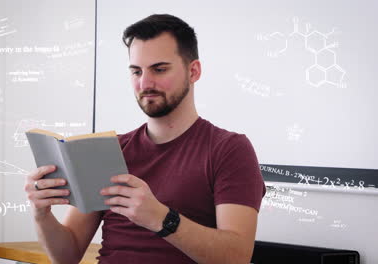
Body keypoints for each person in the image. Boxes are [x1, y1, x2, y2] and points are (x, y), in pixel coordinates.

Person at [25, 14, 266, 264]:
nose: (144, 83)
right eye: (136, 71)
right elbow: (67, 256)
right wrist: (41, 214)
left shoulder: (229, 150)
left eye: (159, 69)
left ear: (193, 71)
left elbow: (237, 256)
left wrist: (161, 218)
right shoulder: (110, 150)